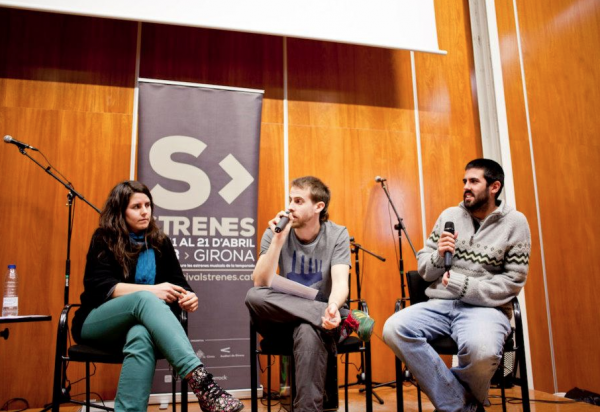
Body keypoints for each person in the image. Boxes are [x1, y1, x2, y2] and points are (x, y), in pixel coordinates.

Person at [71, 181, 244, 412]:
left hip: (139, 325)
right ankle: (203, 385)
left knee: (142, 335)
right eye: (136, 206)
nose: (145, 211)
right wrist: (152, 291)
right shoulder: (104, 238)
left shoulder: (160, 242)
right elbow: (101, 286)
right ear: (120, 211)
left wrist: (189, 297)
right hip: (97, 323)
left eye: (148, 205)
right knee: (146, 299)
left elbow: (180, 283)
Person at [383, 159, 531, 412]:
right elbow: (425, 269)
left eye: (474, 181)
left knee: (482, 352)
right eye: (465, 181)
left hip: (487, 309)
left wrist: (464, 285)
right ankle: (462, 406)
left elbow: (513, 281)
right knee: (394, 328)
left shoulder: (515, 223)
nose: (466, 186)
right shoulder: (449, 216)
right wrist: (440, 255)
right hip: (440, 303)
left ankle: (455, 402)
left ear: (494, 187)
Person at [245, 176, 374, 412]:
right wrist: (277, 241)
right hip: (282, 321)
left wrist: (333, 306)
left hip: (322, 324)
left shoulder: (337, 235)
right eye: (290, 200)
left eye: (298, 201)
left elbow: (340, 283)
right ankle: (348, 318)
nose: (290, 207)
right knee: (254, 295)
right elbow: (260, 281)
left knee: (307, 329)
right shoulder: (276, 230)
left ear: (318, 206)